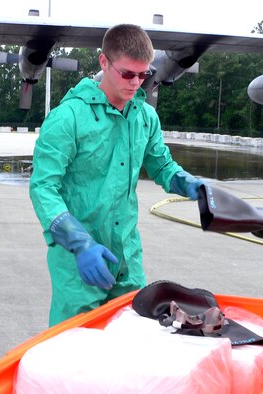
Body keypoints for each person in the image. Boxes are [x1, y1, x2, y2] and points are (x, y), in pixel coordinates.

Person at [29, 24, 204, 326]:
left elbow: (162, 166)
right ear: (104, 63)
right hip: (78, 261)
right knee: (74, 348)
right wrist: (80, 243)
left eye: (143, 74)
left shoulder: (144, 116)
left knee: (133, 340)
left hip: (127, 258)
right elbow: (43, 187)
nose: (136, 83)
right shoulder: (68, 118)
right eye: (127, 74)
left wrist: (191, 185)